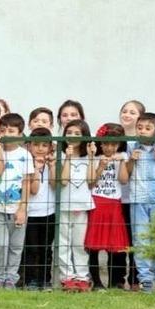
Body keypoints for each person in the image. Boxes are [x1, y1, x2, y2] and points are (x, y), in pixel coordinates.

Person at [0, 114, 33, 289]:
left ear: (20, 133)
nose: (7, 133)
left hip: (18, 208)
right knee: (0, 245)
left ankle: (11, 278)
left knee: (16, 246)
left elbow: (26, 182)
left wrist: (22, 208)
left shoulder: (25, 155)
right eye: (3, 130)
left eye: (11, 130)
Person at [85, 123, 130, 290]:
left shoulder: (122, 157)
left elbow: (124, 180)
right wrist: (101, 166)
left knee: (114, 244)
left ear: (118, 144)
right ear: (100, 144)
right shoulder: (95, 158)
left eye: (113, 144)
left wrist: (123, 161)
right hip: (98, 202)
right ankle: (96, 281)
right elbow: (91, 183)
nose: (109, 147)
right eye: (106, 143)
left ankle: (114, 281)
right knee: (94, 245)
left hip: (114, 203)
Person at [122, 112, 155, 292]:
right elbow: (125, 175)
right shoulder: (131, 146)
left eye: (148, 128)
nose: (143, 131)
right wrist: (131, 160)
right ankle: (145, 278)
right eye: (140, 127)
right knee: (141, 240)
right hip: (138, 199)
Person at [57, 120, 97, 292]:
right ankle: (67, 276)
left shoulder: (88, 158)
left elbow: (91, 182)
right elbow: (64, 181)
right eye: (69, 132)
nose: (72, 136)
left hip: (82, 207)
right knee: (63, 243)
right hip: (64, 207)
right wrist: (67, 157)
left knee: (79, 244)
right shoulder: (61, 156)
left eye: (77, 133)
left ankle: (82, 276)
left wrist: (90, 157)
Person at [22, 127, 57, 290]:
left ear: (50, 147)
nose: (40, 148)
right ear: (29, 146)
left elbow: (55, 184)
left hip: (48, 212)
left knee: (45, 249)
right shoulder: (26, 162)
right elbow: (33, 190)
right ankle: (30, 280)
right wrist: (35, 168)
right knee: (31, 248)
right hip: (31, 212)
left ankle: (45, 279)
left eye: (44, 145)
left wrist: (50, 166)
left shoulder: (54, 162)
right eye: (36, 145)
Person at [118, 100, 146, 290]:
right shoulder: (116, 139)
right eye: (125, 111)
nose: (127, 114)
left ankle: (137, 279)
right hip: (118, 197)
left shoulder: (144, 142)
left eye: (133, 112)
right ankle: (118, 278)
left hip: (138, 198)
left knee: (138, 239)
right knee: (120, 240)